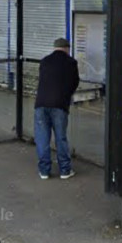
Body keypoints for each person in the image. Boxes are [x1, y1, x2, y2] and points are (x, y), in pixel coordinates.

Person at [34, 37, 80, 180]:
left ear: (55, 48)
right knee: (60, 138)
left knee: (42, 138)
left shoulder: (44, 61)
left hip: (41, 104)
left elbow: (42, 80)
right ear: (67, 48)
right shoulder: (71, 62)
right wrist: (66, 95)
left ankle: (44, 171)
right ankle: (65, 170)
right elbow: (75, 82)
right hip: (59, 105)